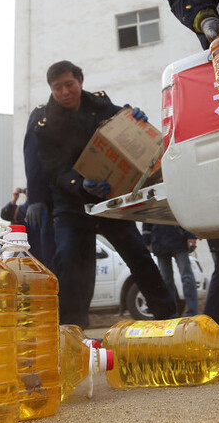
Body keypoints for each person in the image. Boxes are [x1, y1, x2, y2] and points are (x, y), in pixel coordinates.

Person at [34, 60, 175, 329]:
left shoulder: (98, 104)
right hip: (71, 205)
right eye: (57, 88)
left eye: (69, 84)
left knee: (139, 256)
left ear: (80, 82)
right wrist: (80, 184)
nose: (64, 92)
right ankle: (71, 330)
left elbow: (122, 121)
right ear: (51, 90)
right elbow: (54, 171)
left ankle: (168, 318)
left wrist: (136, 119)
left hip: (109, 201)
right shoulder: (45, 124)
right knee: (71, 264)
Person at [21, 104, 55, 270]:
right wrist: (36, 197)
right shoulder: (43, 112)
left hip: (79, 202)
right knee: (52, 266)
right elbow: (33, 155)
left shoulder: (82, 111)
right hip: (53, 203)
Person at [143, 222, 200, 316]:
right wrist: (146, 241)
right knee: (167, 281)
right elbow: (146, 220)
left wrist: (191, 235)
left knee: (186, 278)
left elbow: (183, 213)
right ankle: (172, 314)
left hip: (178, 240)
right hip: (160, 242)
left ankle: (192, 313)